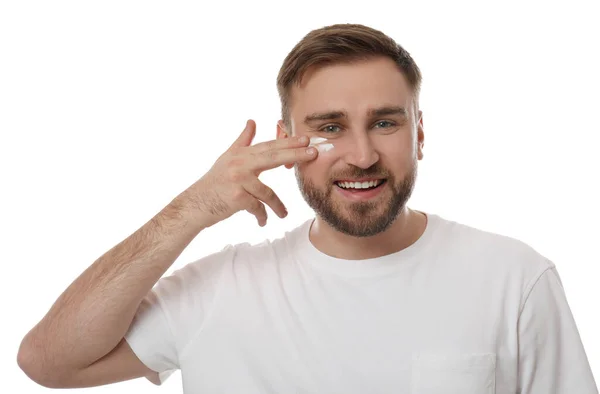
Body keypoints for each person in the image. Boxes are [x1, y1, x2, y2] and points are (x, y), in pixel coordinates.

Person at [17, 23, 597, 393]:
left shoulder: (514, 278)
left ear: (419, 133)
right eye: (329, 128)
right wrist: (192, 209)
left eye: (386, 123)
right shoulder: (223, 288)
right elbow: (49, 363)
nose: (363, 155)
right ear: (286, 140)